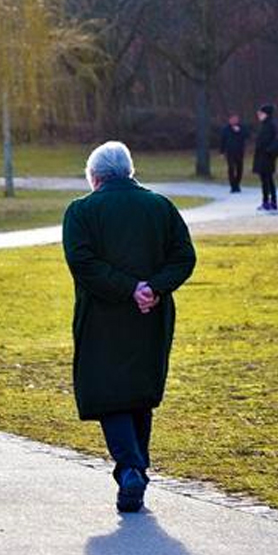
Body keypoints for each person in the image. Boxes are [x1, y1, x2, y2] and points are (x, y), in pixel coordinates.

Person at [62, 142, 196, 513]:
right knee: (139, 391)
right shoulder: (160, 207)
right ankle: (136, 467)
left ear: (95, 177)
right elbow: (184, 257)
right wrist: (152, 287)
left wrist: (127, 288)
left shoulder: (81, 212)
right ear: (130, 171)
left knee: (109, 393)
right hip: (150, 315)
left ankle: (131, 468)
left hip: (102, 317)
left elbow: (82, 263)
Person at [252, 103, 278, 212]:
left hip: (266, 157)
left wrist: (263, 148)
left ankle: (270, 202)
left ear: (266, 114)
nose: (259, 115)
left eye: (261, 113)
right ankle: (268, 202)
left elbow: (265, 141)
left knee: (267, 180)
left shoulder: (269, 125)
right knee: (266, 180)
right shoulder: (266, 124)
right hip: (264, 157)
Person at [219, 113, 249, 193]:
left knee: (239, 168)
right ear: (229, 120)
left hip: (239, 151)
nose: (234, 121)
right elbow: (222, 141)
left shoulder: (242, 127)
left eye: (236, 119)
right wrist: (221, 152)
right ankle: (233, 186)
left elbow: (247, 135)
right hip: (230, 152)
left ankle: (237, 184)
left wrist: (239, 131)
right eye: (233, 119)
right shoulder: (225, 129)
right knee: (231, 168)